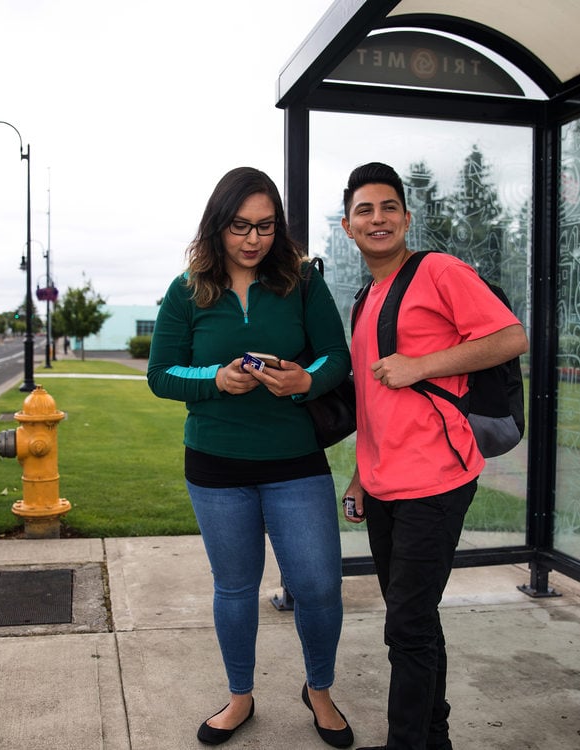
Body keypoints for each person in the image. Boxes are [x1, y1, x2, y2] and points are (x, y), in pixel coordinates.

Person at [147, 166, 355, 748]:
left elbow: (335, 357)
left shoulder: (302, 283)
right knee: (235, 588)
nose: (253, 239)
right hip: (216, 466)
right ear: (218, 226)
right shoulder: (186, 291)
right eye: (240, 225)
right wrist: (216, 378)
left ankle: (318, 691)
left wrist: (301, 382)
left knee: (318, 585)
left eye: (265, 226)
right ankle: (240, 697)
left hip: (295, 462)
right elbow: (160, 375)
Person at [340, 162, 529, 750]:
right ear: (348, 227)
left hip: (438, 480)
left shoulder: (438, 271)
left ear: (406, 216)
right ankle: (434, 737)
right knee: (416, 621)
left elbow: (510, 336)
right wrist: (359, 478)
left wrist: (421, 365)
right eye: (365, 210)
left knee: (406, 625)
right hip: (386, 485)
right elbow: (374, 403)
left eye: (389, 207)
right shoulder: (365, 298)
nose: (378, 219)